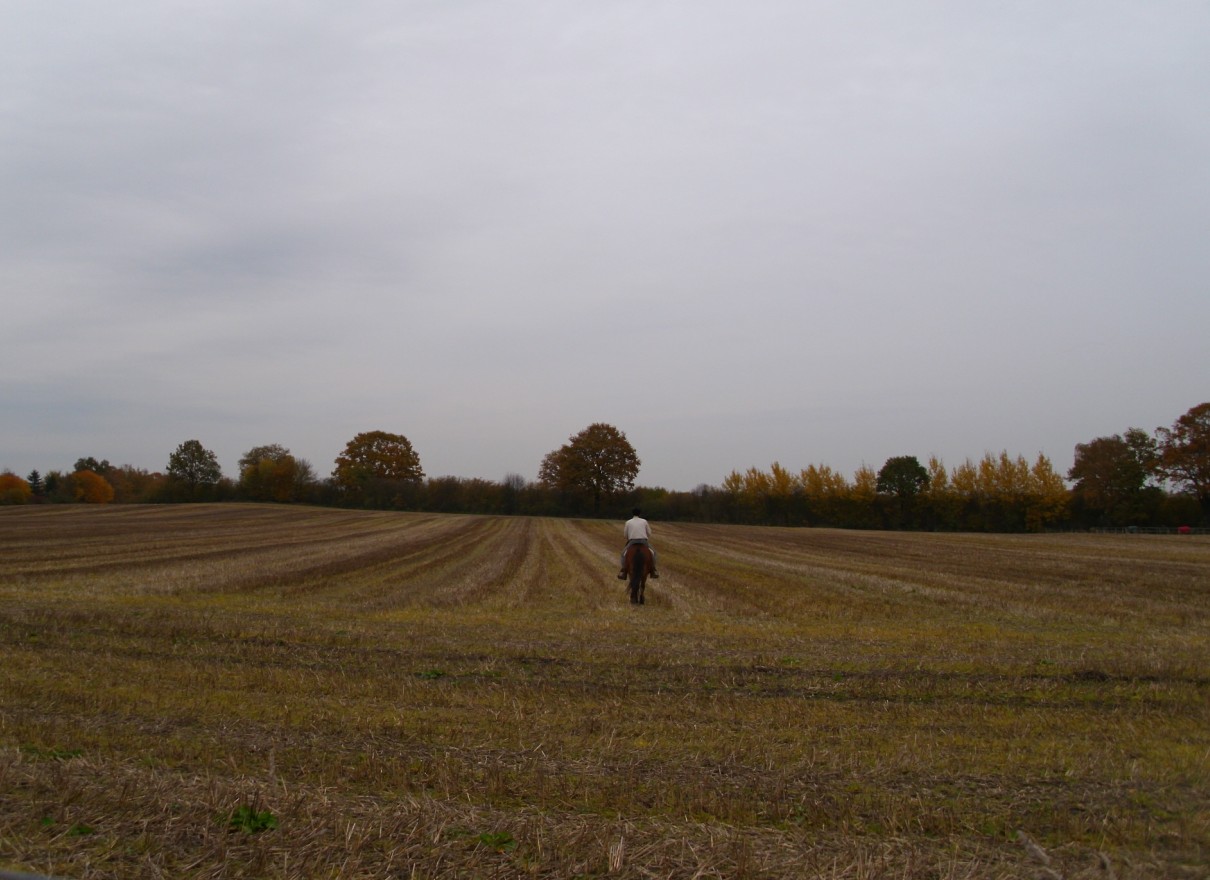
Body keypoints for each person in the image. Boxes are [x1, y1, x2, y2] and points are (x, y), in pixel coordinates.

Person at [618, 507, 659, 579]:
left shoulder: (628, 522)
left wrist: (629, 537)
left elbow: (625, 535)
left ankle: (624, 571)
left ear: (632, 513)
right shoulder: (644, 521)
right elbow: (649, 533)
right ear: (640, 513)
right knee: (654, 553)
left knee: (623, 554)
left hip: (632, 541)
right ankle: (653, 570)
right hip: (643, 541)